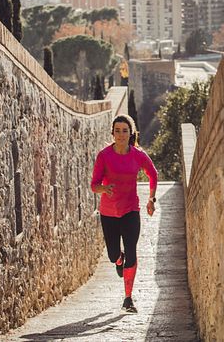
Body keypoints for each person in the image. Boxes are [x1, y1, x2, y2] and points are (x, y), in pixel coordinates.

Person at [90, 114, 157, 313]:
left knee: (132, 251)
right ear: (113, 133)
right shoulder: (104, 156)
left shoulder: (138, 155)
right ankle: (119, 260)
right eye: (117, 131)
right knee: (112, 255)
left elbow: (153, 174)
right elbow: (94, 184)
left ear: (131, 133)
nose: (121, 134)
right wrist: (103, 189)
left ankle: (128, 298)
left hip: (130, 211)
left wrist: (151, 198)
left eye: (125, 131)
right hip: (109, 213)